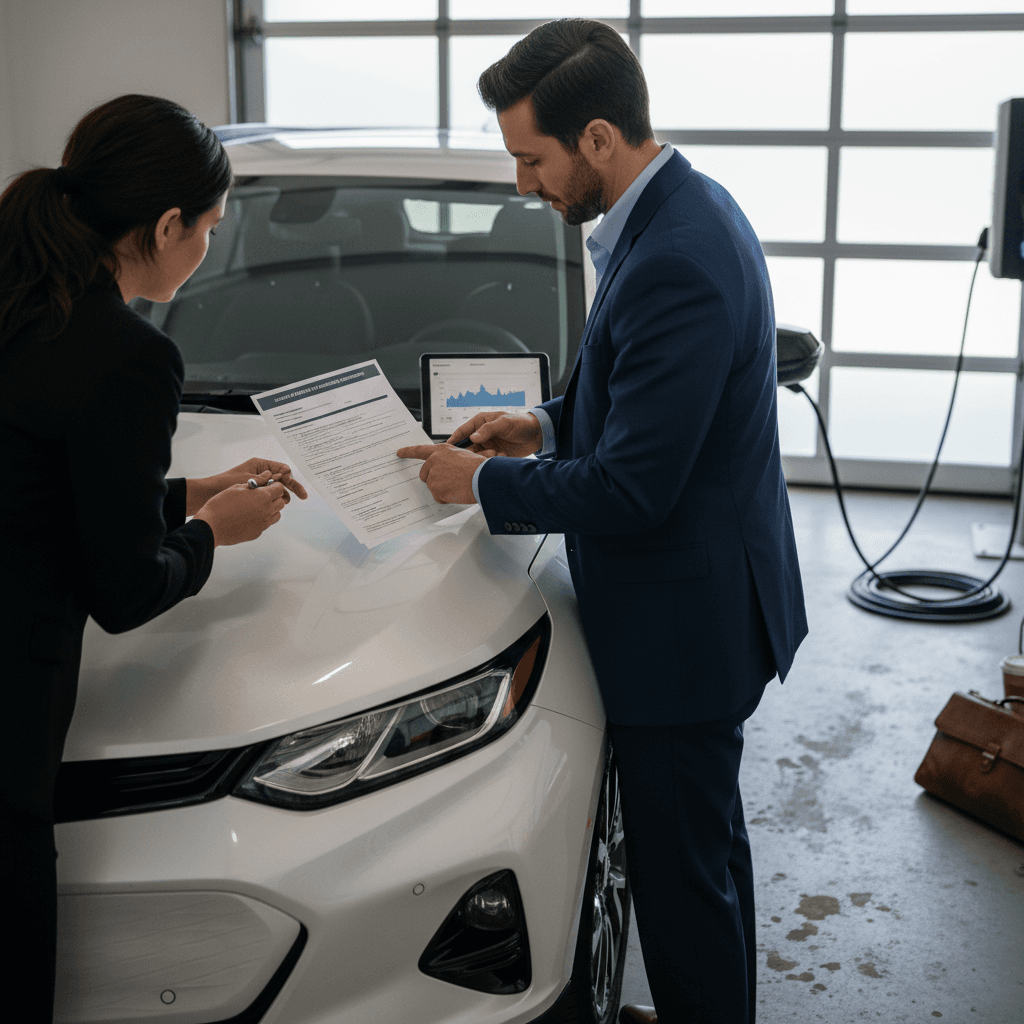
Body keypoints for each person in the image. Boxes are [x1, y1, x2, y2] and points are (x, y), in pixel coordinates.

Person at [398, 20, 807, 1024]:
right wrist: (540, 423)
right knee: (703, 857)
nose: (523, 185)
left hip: (683, 637)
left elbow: (634, 489)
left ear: (594, 139)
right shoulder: (671, 213)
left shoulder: (676, 254)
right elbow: (644, 405)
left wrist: (478, 486)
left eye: (530, 160)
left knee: (678, 891)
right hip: (702, 606)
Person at [0, 94, 308, 1023]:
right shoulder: (128, 356)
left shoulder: (20, 299)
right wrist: (221, 532)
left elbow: (32, 482)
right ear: (167, 225)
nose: (209, 249)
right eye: (210, 229)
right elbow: (124, 590)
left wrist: (186, 493)